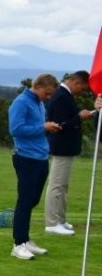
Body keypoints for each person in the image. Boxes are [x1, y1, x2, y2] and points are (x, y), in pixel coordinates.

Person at [7, 74, 61, 260]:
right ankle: (18, 243)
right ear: (37, 86)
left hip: (40, 157)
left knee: (32, 201)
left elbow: (37, 126)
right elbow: (16, 129)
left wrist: (45, 127)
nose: (48, 97)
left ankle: (26, 240)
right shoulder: (21, 103)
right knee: (25, 201)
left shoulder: (38, 102)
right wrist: (43, 127)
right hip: (26, 157)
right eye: (47, 93)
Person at [44, 70, 96, 236]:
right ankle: (52, 223)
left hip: (67, 148)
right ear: (76, 82)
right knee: (56, 185)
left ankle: (60, 219)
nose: (83, 92)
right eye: (83, 88)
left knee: (63, 185)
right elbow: (60, 124)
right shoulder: (60, 97)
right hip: (61, 147)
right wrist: (80, 117)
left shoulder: (65, 96)